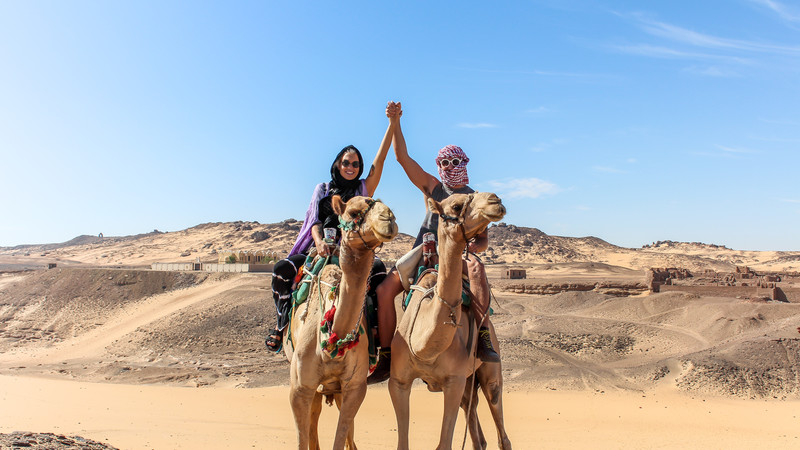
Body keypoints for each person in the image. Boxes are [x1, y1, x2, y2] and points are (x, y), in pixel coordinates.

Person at [367, 102, 500, 384]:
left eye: (455, 162)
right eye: (445, 163)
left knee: (476, 276)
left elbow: (484, 238)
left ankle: (484, 335)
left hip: (458, 254)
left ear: (464, 163)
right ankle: (389, 355)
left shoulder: (476, 199)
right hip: (424, 249)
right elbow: (403, 158)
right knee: (383, 290)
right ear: (439, 167)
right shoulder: (434, 187)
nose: (450, 168)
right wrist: (395, 122)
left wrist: (470, 247)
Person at [265, 102, 400, 353]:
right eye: (347, 163)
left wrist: (392, 124)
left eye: (356, 164)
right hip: (321, 248)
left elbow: (379, 161)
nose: (351, 167)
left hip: (355, 250)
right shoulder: (323, 189)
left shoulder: (362, 189)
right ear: (338, 164)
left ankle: (379, 338)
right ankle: (281, 323)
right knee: (282, 270)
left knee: (380, 276)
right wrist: (318, 243)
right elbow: (314, 220)